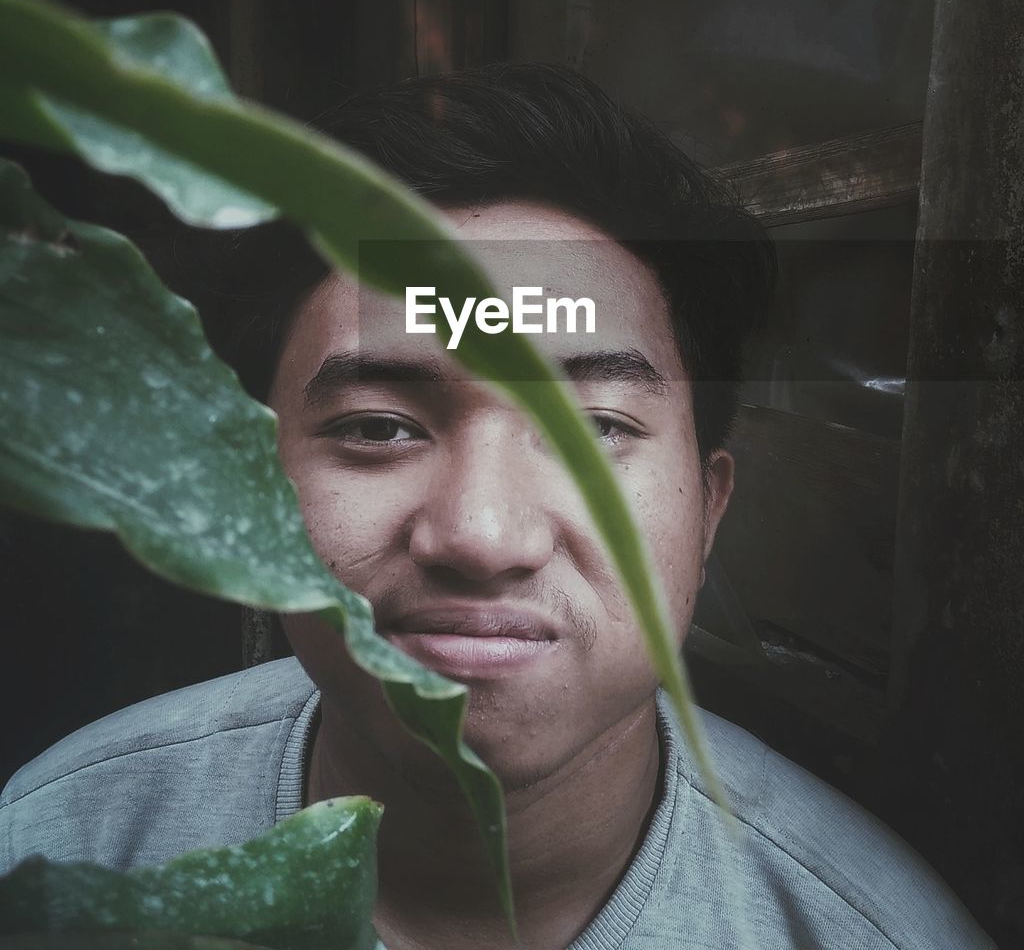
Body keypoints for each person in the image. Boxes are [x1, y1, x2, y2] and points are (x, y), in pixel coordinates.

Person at [0, 64, 994, 949]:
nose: (481, 535)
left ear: (708, 512)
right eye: (380, 425)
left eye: (591, 427)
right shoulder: (55, 858)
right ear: (247, 484)